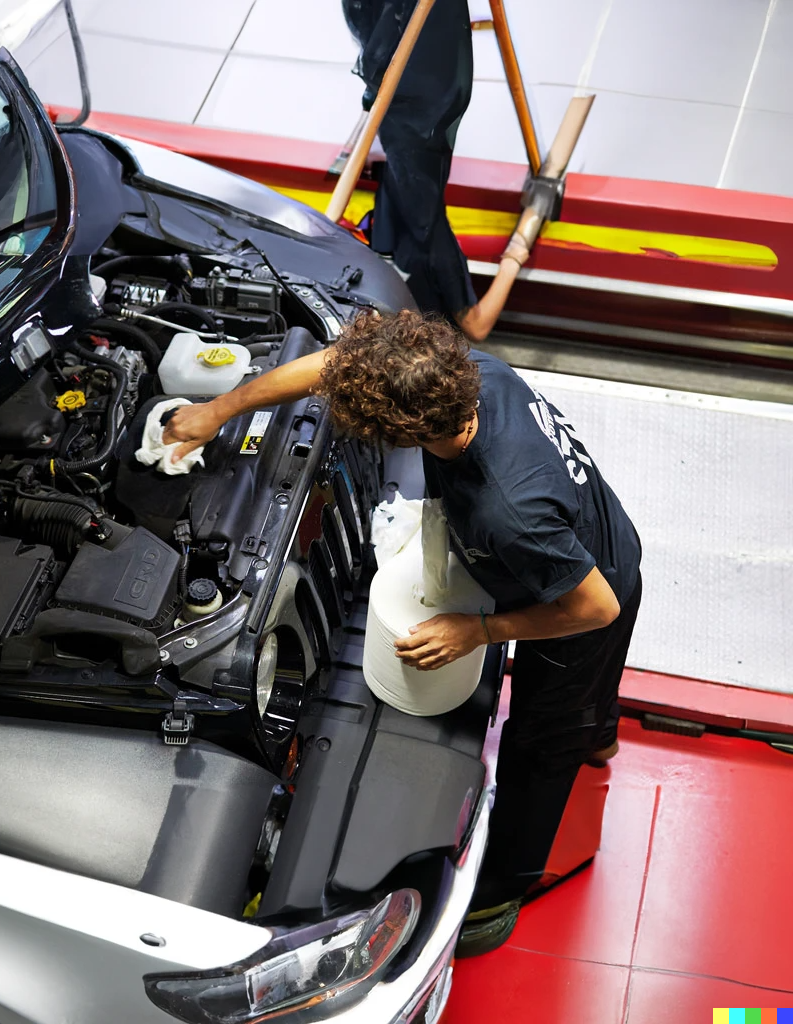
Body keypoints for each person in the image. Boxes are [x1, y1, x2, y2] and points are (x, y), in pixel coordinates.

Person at [163, 309, 642, 956]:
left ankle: (501, 890)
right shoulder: (466, 374)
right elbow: (331, 369)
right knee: (585, 702)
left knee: (540, 742)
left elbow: (596, 609)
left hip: (582, 594)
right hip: (575, 540)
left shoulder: (510, 514)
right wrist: (221, 408)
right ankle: (599, 731)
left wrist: (478, 630)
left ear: (403, 432)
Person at [342, 0, 528, 341]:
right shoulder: (429, 246)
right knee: (409, 129)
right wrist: (519, 249)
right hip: (403, 157)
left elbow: (475, 326)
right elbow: (477, 327)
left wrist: (517, 250)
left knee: (415, 133)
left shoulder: (431, 242)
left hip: (413, 142)